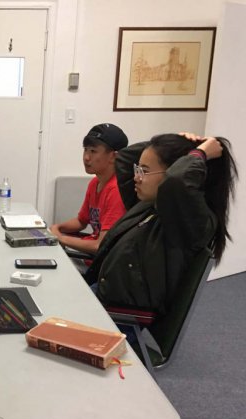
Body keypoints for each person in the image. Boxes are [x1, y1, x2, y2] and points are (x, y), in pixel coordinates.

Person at [85, 132, 238, 317]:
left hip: (121, 314)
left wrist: (200, 153)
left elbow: (177, 179)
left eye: (145, 171)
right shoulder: (147, 204)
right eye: (138, 169)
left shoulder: (189, 221)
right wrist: (177, 141)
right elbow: (124, 158)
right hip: (103, 297)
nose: (136, 177)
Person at [49, 123, 128, 255]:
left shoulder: (116, 190)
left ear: (114, 157)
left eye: (93, 151)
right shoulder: (95, 183)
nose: (86, 157)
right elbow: (81, 221)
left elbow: (100, 245)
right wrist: (57, 227)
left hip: (98, 263)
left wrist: (60, 238)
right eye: (85, 149)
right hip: (88, 256)